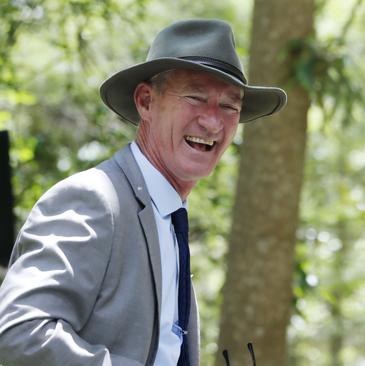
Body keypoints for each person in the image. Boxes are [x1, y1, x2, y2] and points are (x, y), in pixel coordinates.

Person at [0, 19, 286, 366]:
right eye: (195, 97)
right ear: (146, 102)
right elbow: (17, 335)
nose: (213, 122)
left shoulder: (166, 219)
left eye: (230, 106)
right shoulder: (94, 199)